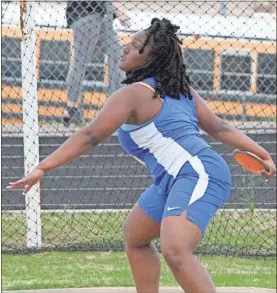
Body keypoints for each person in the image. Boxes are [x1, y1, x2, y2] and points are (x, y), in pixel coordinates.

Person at [8, 18, 276, 293]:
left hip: (198, 173)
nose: (125, 48)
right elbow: (220, 128)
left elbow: (90, 136)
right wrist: (263, 154)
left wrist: (42, 167)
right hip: (173, 179)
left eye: (135, 46)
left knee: (175, 250)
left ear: (152, 57)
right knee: (136, 236)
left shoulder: (135, 94)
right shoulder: (176, 90)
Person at [63, 0, 130, 124]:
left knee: (118, 54)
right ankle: (71, 108)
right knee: (80, 62)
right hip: (86, 14)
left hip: (98, 15)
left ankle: (117, 103)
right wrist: (119, 10)